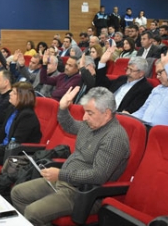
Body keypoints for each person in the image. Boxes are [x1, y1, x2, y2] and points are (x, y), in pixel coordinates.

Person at [11, 86, 130, 225]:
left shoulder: (114, 138)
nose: (85, 117)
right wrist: (62, 108)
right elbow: (69, 125)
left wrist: (61, 174)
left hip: (82, 193)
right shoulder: (92, 124)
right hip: (65, 180)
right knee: (17, 193)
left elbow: (98, 176)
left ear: (107, 113)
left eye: (90, 113)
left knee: (32, 212)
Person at [97, 47, 153, 113]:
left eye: (131, 70)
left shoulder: (145, 88)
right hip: (102, 108)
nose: (127, 72)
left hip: (116, 114)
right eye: (127, 68)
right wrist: (102, 62)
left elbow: (131, 109)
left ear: (141, 73)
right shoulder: (122, 79)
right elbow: (102, 84)